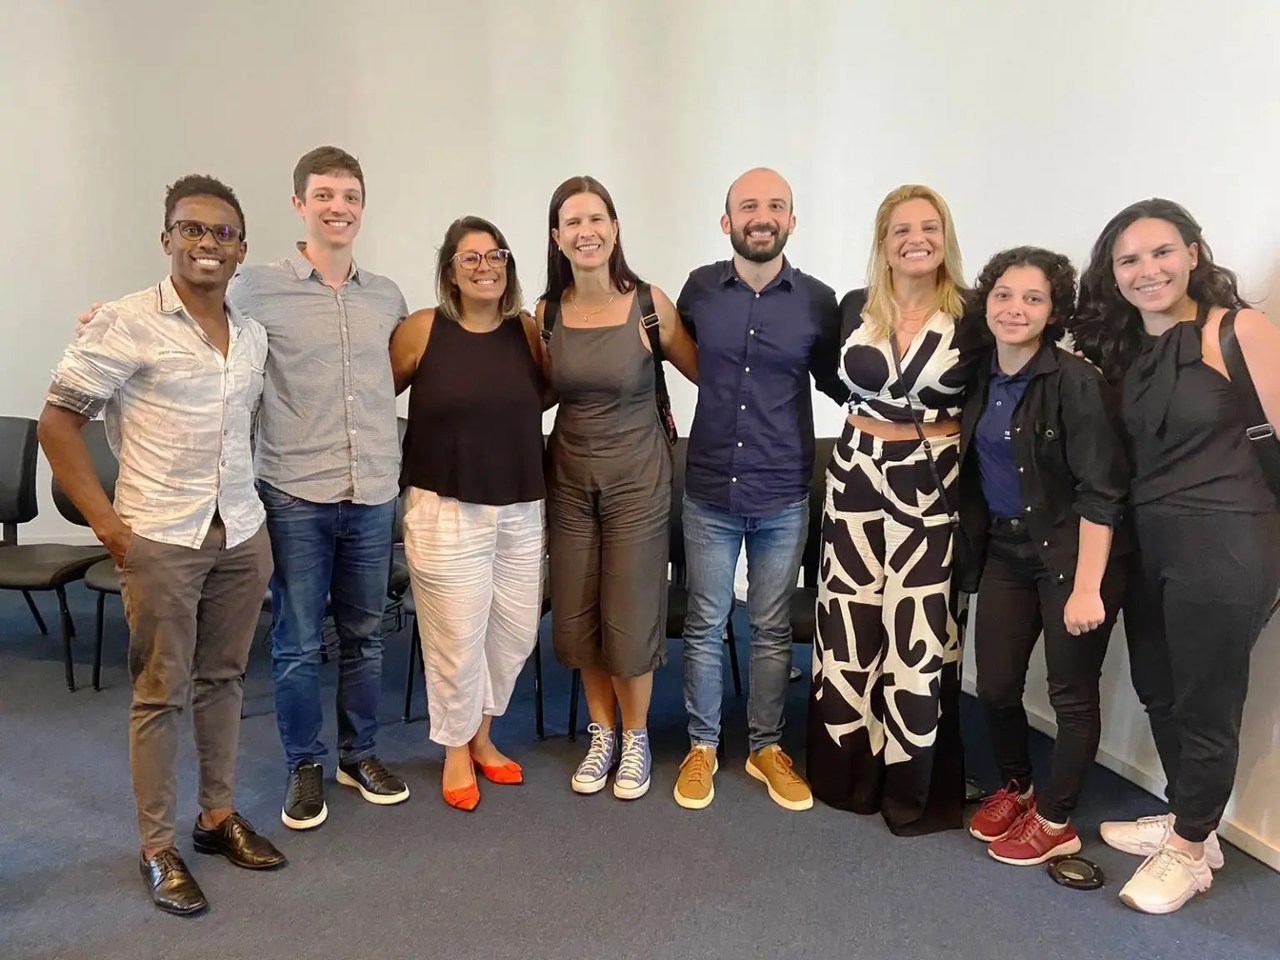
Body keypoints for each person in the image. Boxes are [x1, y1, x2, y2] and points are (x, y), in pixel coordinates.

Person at [39, 176, 285, 915]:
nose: (207, 243)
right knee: (158, 692)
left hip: (239, 530)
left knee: (225, 679)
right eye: (192, 229)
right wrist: (109, 527)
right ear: (167, 238)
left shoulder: (251, 335)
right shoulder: (124, 322)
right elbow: (57, 424)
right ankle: (156, 847)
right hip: (161, 535)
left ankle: (216, 816)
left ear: (242, 249)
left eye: (222, 233)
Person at [1070, 198, 1280, 915]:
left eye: (1162, 251)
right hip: (1150, 541)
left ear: (1193, 253)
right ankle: (1194, 819)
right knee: (1158, 686)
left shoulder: (1237, 331)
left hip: (1228, 540)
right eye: (1128, 259)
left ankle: (1189, 850)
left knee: (1206, 700)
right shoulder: (1127, 350)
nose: (1147, 270)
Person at [229, 146, 411, 829]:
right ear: (300, 204)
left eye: (351, 196)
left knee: (365, 636)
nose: (340, 207)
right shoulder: (255, 288)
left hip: (372, 492)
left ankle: (358, 755)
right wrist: (109, 318)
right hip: (294, 491)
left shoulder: (386, 296)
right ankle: (303, 764)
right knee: (299, 641)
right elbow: (193, 319)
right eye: (325, 195)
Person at [808, 184, 983, 835]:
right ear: (883, 242)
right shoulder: (855, 307)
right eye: (902, 229)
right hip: (854, 475)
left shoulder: (973, 315)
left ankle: (915, 789)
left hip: (932, 483)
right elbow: (831, 376)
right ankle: (849, 777)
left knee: (920, 632)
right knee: (848, 626)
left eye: (929, 227)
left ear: (946, 237)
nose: (917, 239)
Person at [672, 167, 845, 812]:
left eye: (775, 206)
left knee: (771, 627)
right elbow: (662, 353)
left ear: (792, 221)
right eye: (748, 206)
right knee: (705, 624)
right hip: (710, 489)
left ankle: (765, 748)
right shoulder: (699, 290)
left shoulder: (818, 302)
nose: (762, 216)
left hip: (783, 490)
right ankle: (702, 746)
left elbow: (843, 383)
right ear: (727, 221)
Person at [956, 247, 1129, 866]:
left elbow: (1102, 491)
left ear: (1054, 311)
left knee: (1070, 693)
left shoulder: (1076, 382)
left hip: (1073, 555)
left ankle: (1056, 818)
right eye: (1004, 295)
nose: (1015, 309)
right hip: (1005, 550)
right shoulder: (978, 374)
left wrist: (1087, 587)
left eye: (1034, 298)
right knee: (996, 685)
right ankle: (1018, 787)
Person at [539, 175, 698, 800]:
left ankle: (636, 737)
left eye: (596, 219)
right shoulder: (546, 314)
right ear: (557, 237)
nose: (586, 232)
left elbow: (709, 374)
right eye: (573, 222)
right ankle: (601, 732)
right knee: (579, 612)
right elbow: (538, 393)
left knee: (629, 613)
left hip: (638, 479)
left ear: (615, 228)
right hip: (569, 480)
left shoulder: (650, 306)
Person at [390, 217, 547, 811]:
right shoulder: (423, 329)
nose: (485, 266)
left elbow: (546, 393)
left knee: (513, 633)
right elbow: (372, 395)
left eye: (495, 255)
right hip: (444, 507)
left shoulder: (526, 330)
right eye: (470, 258)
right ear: (450, 272)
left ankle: (482, 735)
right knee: (456, 637)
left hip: (520, 505)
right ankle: (456, 749)